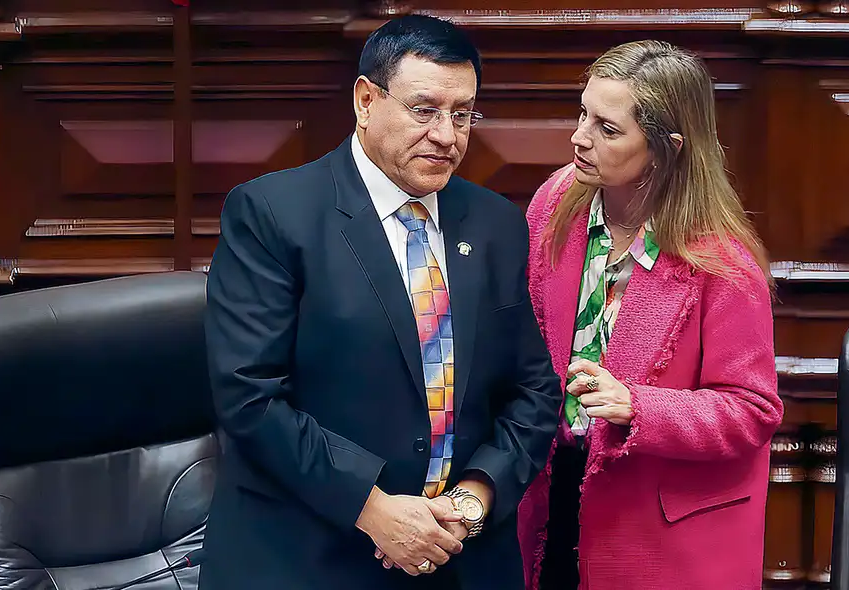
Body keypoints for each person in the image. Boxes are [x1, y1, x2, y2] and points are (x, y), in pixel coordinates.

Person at [200, 14, 562, 590]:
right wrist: (373, 509)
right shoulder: (273, 214)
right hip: (312, 556)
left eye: (462, 114)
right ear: (366, 101)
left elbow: (534, 389)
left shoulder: (495, 223)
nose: (446, 136)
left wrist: (473, 499)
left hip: (460, 555)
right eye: (425, 110)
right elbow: (249, 396)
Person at [517, 40, 783, 590]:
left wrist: (638, 406)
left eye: (607, 129)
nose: (579, 137)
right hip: (553, 497)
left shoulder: (723, 264)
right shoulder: (555, 204)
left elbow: (752, 410)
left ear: (667, 149)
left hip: (656, 533)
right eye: (583, 113)